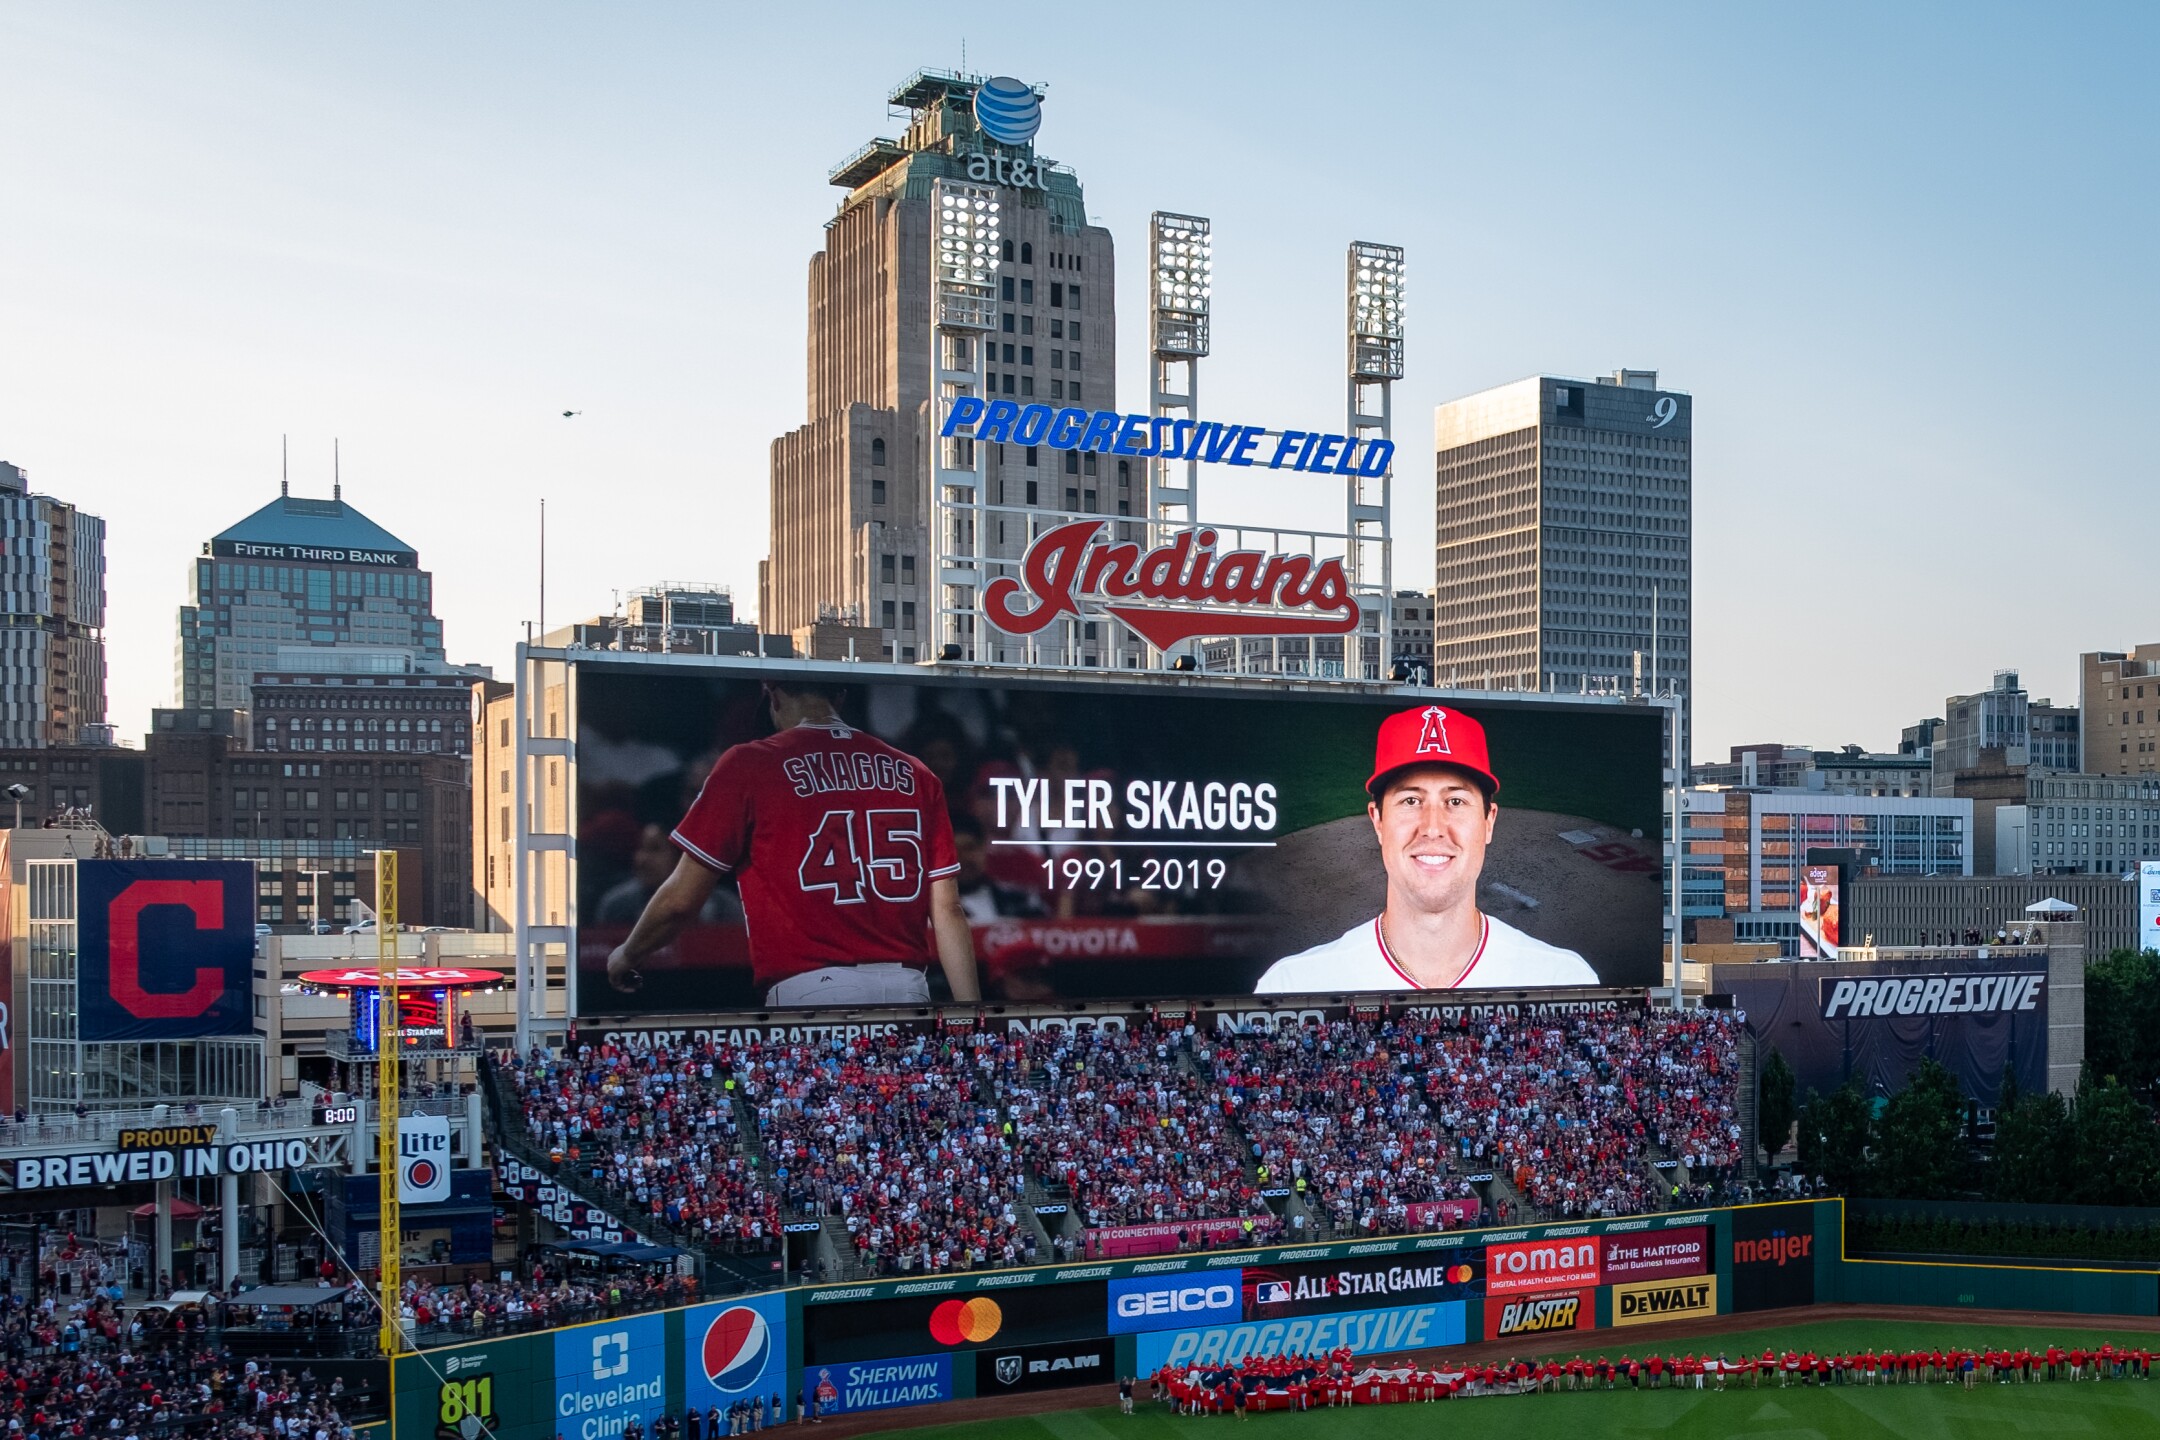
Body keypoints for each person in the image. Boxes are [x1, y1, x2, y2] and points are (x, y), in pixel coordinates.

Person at [606, 678, 980, 1006]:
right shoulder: (916, 771)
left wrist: (628, 954)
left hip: (814, 989)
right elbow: (947, 910)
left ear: (772, 694)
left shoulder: (750, 763)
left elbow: (679, 901)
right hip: (908, 988)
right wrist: (971, 1018)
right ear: (842, 695)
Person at [1254, 705, 1595, 992]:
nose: (1432, 827)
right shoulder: (1291, 986)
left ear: (1488, 821)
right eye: (1411, 800)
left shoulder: (1565, 981)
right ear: (1378, 821)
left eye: (1456, 801)